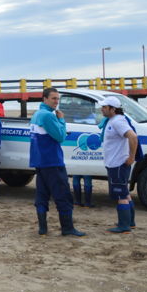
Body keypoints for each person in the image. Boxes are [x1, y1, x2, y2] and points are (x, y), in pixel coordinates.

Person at [30, 87, 85, 237]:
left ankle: (43, 228)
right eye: (54, 98)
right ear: (45, 99)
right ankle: (67, 229)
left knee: (42, 195)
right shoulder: (48, 115)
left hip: (40, 162)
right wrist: (61, 120)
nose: (56, 102)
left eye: (58, 99)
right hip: (52, 162)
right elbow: (60, 136)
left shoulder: (36, 114)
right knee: (63, 196)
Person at [99, 96, 139, 234]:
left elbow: (132, 136)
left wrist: (131, 157)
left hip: (118, 164)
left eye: (104, 107)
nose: (102, 109)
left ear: (113, 109)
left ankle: (124, 226)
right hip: (115, 163)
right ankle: (130, 222)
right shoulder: (112, 121)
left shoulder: (118, 121)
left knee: (121, 195)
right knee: (125, 193)